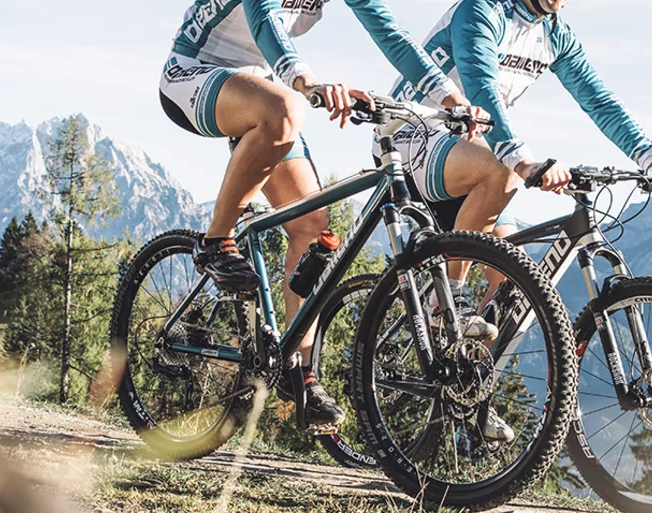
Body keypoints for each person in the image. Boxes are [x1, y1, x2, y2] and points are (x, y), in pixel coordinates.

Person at [160, 0, 484, 424]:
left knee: (312, 227)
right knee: (286, 109)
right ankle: (216, 239)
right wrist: (304, 79)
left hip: (258, 85)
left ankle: (299, 372)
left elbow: (390, 33)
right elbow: (265, 16)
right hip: (194, 72)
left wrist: (450, 97)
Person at [384, 0, 652, 322]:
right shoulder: (482, 10)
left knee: (514, 292)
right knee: (502, 171)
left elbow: (599, 101)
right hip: (412, 134)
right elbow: (480, 86)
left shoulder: (555, 34)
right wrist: (522, 162)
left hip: (472, 148)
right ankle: (445, 299)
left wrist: (651, 157)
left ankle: (468, 368)